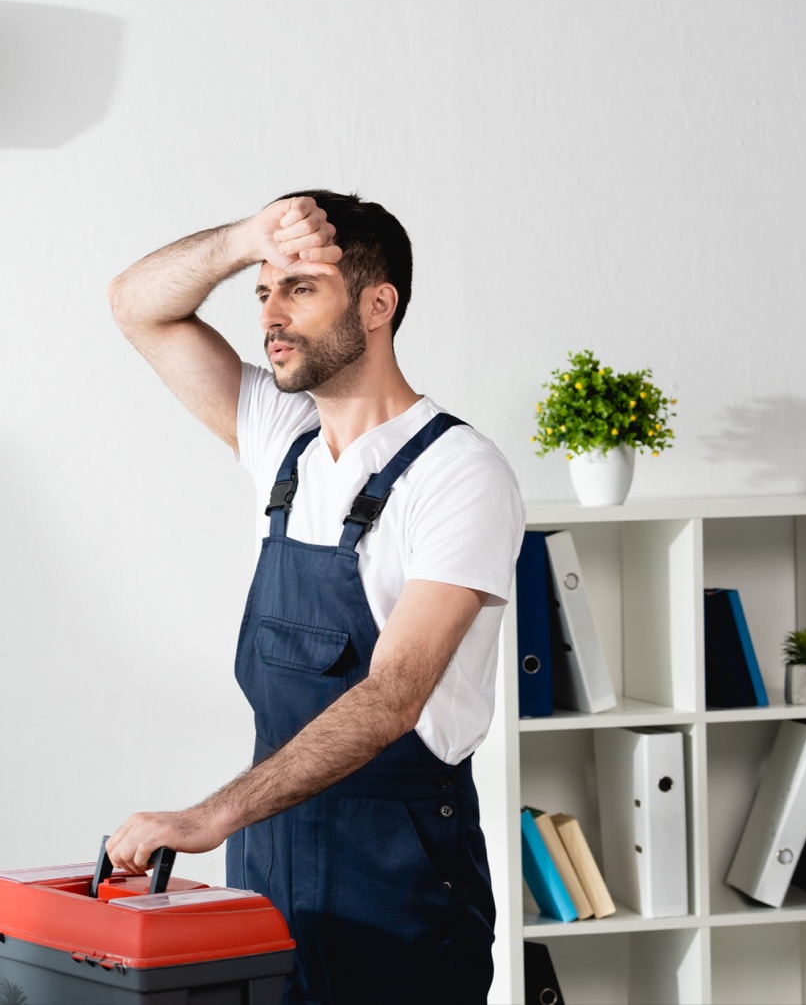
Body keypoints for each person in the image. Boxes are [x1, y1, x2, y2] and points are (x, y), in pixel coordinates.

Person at [102, 192, 524, 1004]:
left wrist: (209, 818)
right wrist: (242, 239)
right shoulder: (282, 437)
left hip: (398, 877)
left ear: (377, 304)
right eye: (263, 293)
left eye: (299, 289)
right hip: (268, 861)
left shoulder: (459, 474)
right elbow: (136, 307)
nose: (271, 316)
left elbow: (395, 694)